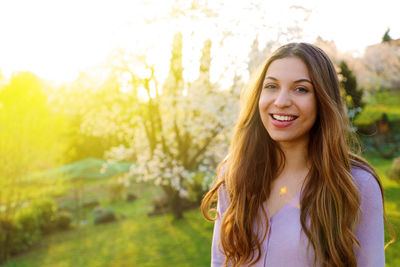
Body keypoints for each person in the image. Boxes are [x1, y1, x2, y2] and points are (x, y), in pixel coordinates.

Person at [201, 43, 393, 267]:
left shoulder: (357, 185)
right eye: (271, 86)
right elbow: (220, 260)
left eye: (301, 89)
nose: (281, 101)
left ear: (323, 101)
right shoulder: (235, 172)